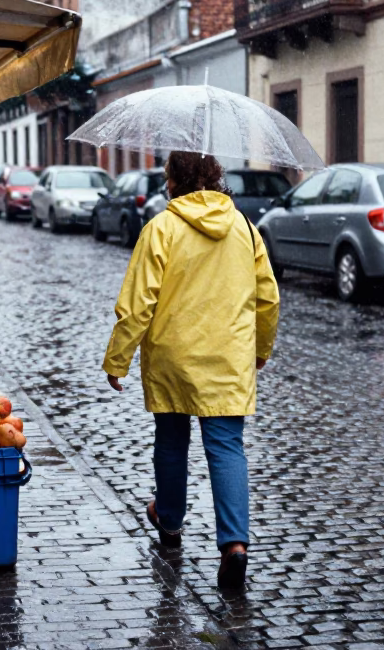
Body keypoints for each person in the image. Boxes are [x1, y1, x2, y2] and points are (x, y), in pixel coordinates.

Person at [102, 151, 280, 591]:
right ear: (215, 178)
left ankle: (170, 522)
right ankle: (235, 545)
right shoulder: (244, 229)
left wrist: (118, 358)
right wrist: (260, 349)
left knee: (171, 439)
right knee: (226, 447)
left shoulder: (160, 228)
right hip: (228, 358)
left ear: (175, 181)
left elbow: (137, 303)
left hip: (173, 357)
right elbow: (268, 298)